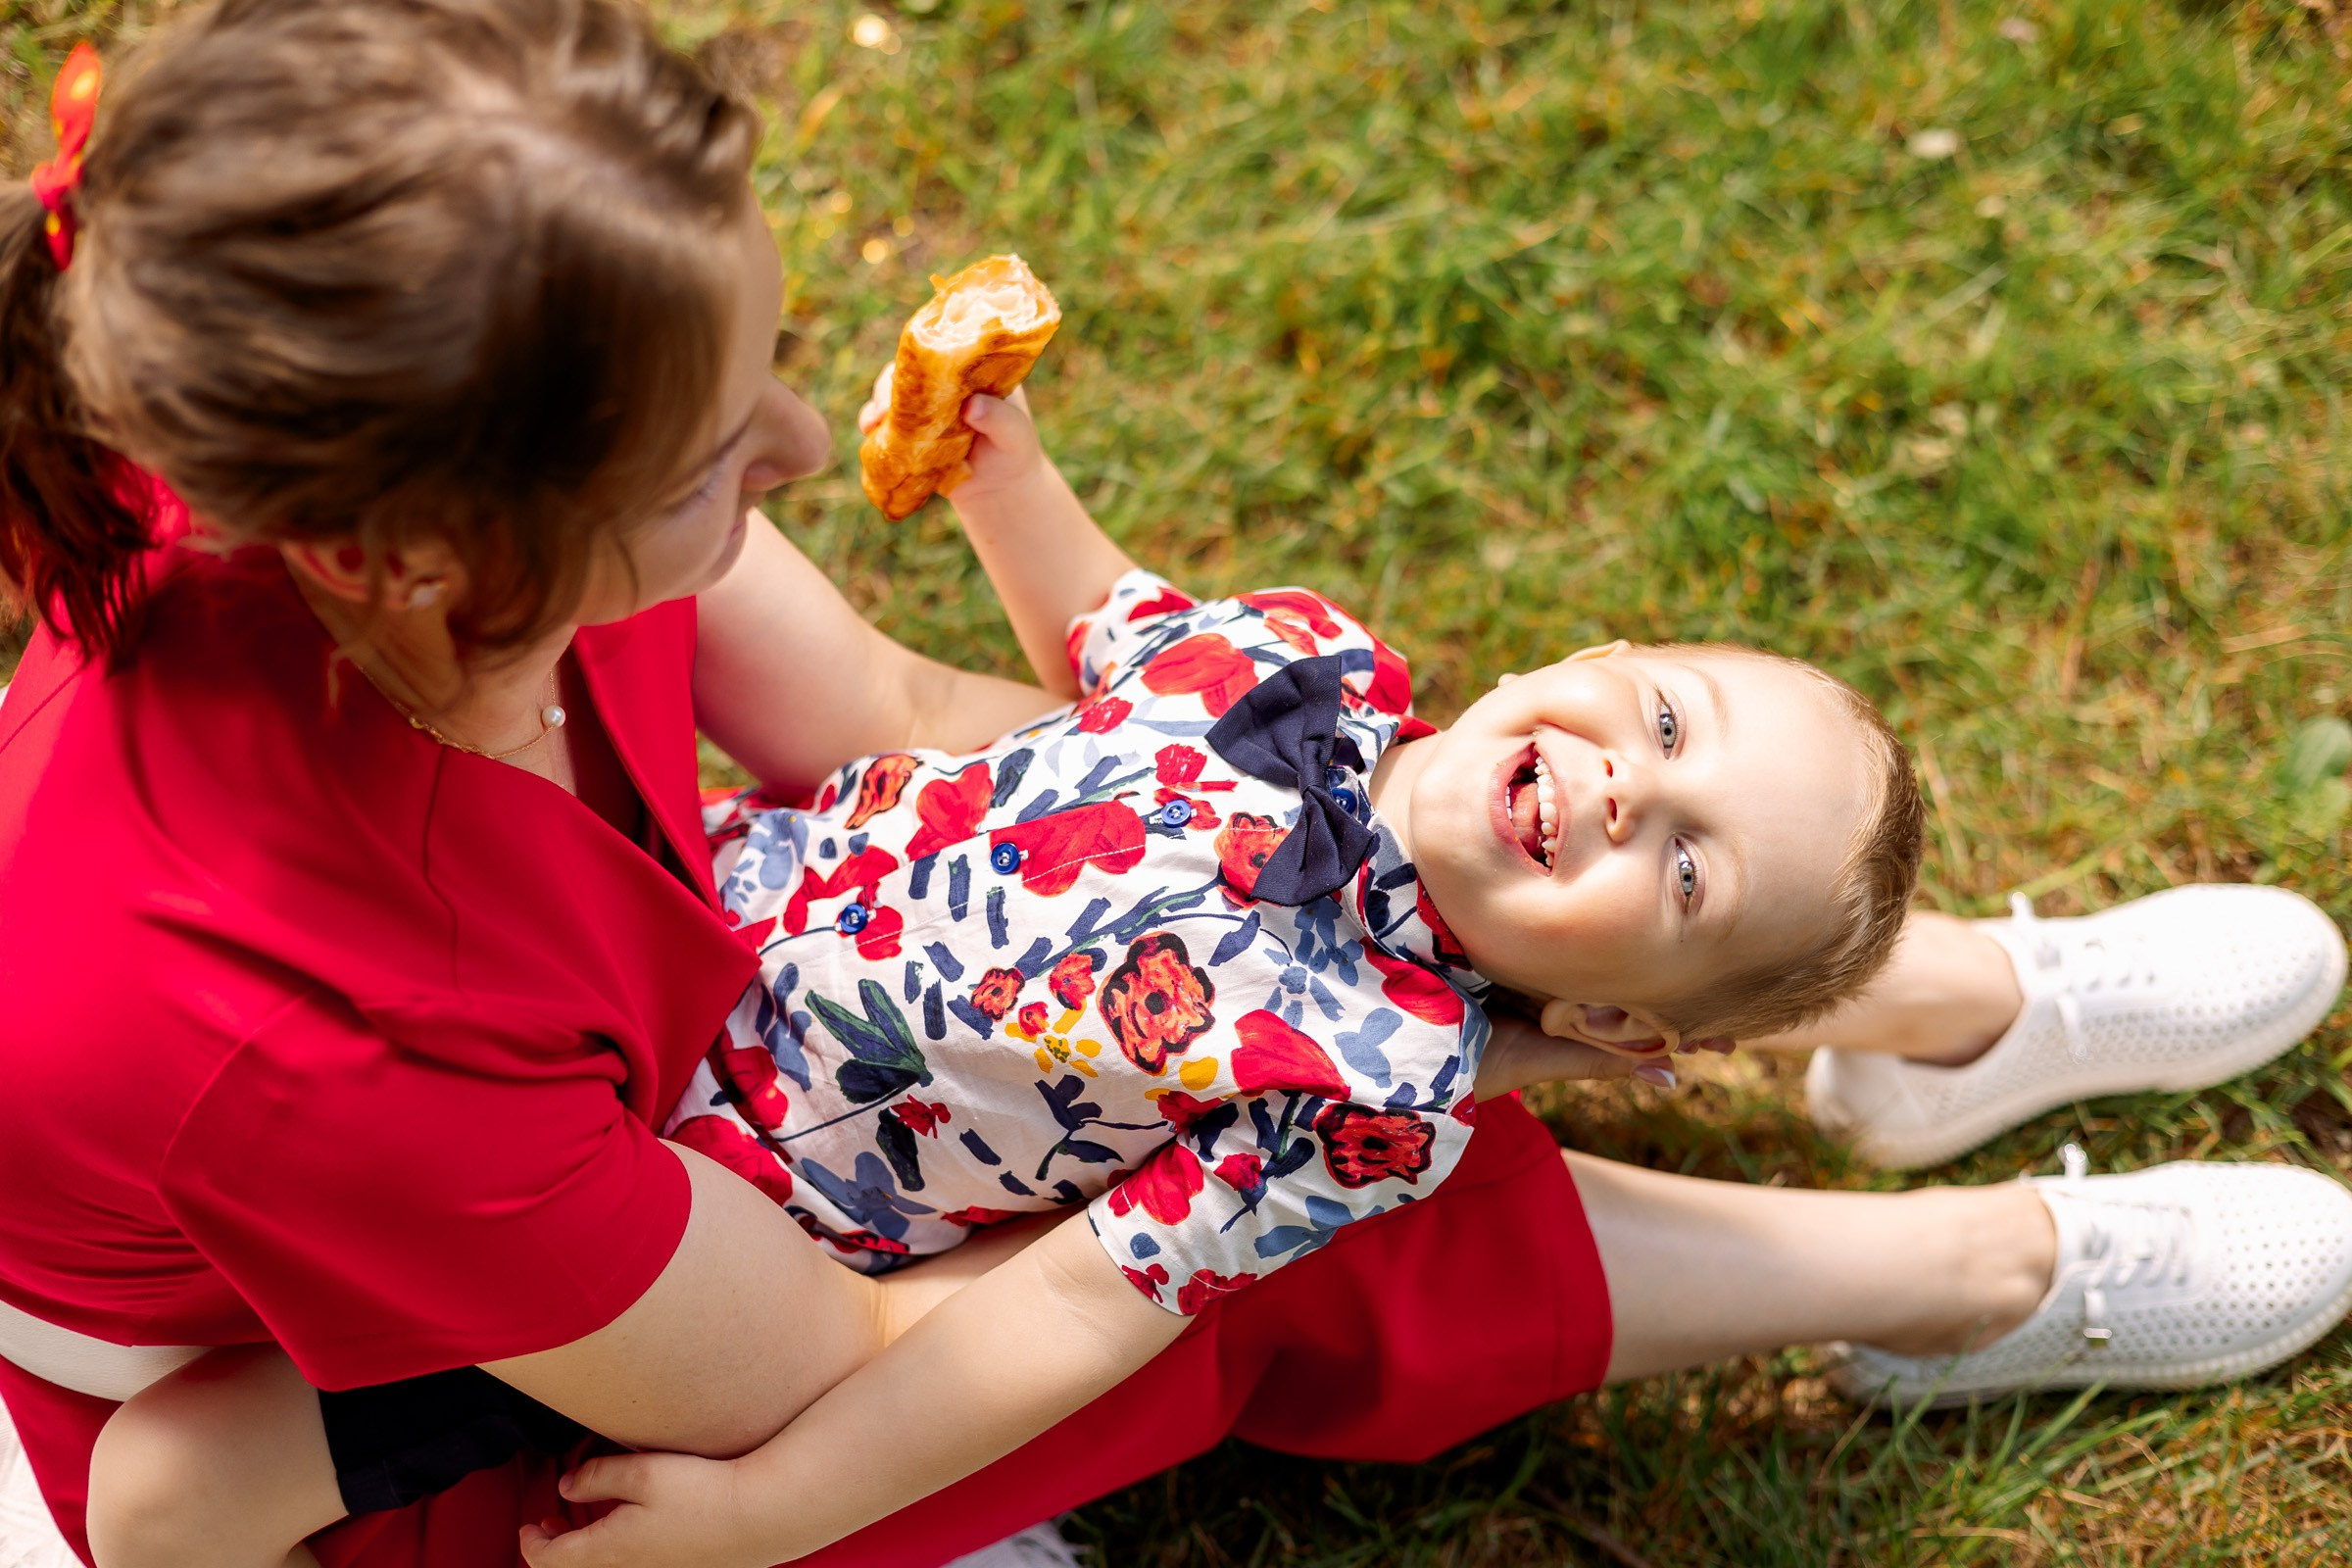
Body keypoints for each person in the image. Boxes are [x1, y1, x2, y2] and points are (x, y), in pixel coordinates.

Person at [1, 7, 2346, 1568]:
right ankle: (1960, 1263)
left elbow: (913, 722)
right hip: (574, 1342)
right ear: (426, 551)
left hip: (720, 1096)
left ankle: (1881, 995)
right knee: (1253, 1205)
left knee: (1304, 1053)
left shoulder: (436, 428)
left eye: (779, 366)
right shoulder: (287, 1022)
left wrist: (1340, 943)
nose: (810, 457)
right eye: (731, 448)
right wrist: (1319, 1081)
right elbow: (855, 1351)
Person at [78, 370, 1930, 1568]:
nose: (1631, 784)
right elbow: (1099, 619)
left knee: (174, 1497)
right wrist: (1005, 465)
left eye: (1687, 864)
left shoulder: (1367, 1088)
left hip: (733, 1222)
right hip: (664, 932)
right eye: (1667, 716)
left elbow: (1074, 1313)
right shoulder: (1303, 667)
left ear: (1607, 1016)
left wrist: (773, 1508)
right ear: (1592, 655)